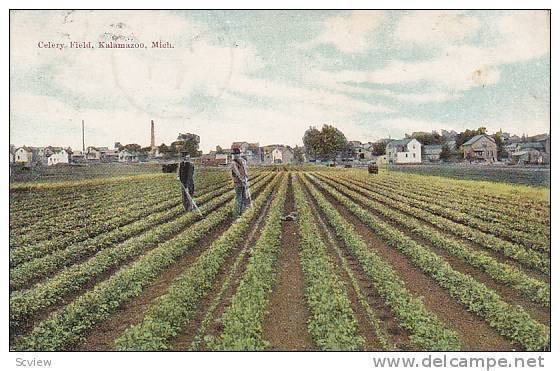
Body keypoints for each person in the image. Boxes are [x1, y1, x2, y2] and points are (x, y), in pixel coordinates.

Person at [231, 147, 250, 217]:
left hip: (243, 183)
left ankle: (243, 212)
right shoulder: (233, 163)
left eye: (237, 154)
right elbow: (237, 173)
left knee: (244, 197)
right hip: (237, 183)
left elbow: (245, 171)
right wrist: (242, 180)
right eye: (235, 154)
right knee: (239, 198)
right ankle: (237, 213)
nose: (236, 155)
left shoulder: (242, 161)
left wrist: (246, 178)